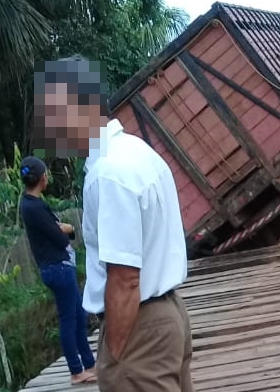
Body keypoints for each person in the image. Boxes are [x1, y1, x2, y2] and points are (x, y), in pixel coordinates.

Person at [35, 55, 193, 392]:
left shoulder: (108, 173)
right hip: (166, 316)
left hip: (139, 329)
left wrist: (116, 355)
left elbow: (125, 278)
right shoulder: (136, 150)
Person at [19, 156, 97, 386]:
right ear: (42, 177)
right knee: (68, 319)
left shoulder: (30, 203)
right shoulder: (34, 206)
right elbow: (57, 234)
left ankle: (89, 365)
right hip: (58, 268)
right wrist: (69, 228)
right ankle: (76, 371)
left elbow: (55, 228)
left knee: (79, 316)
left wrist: (62, 228)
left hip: (56, 267)